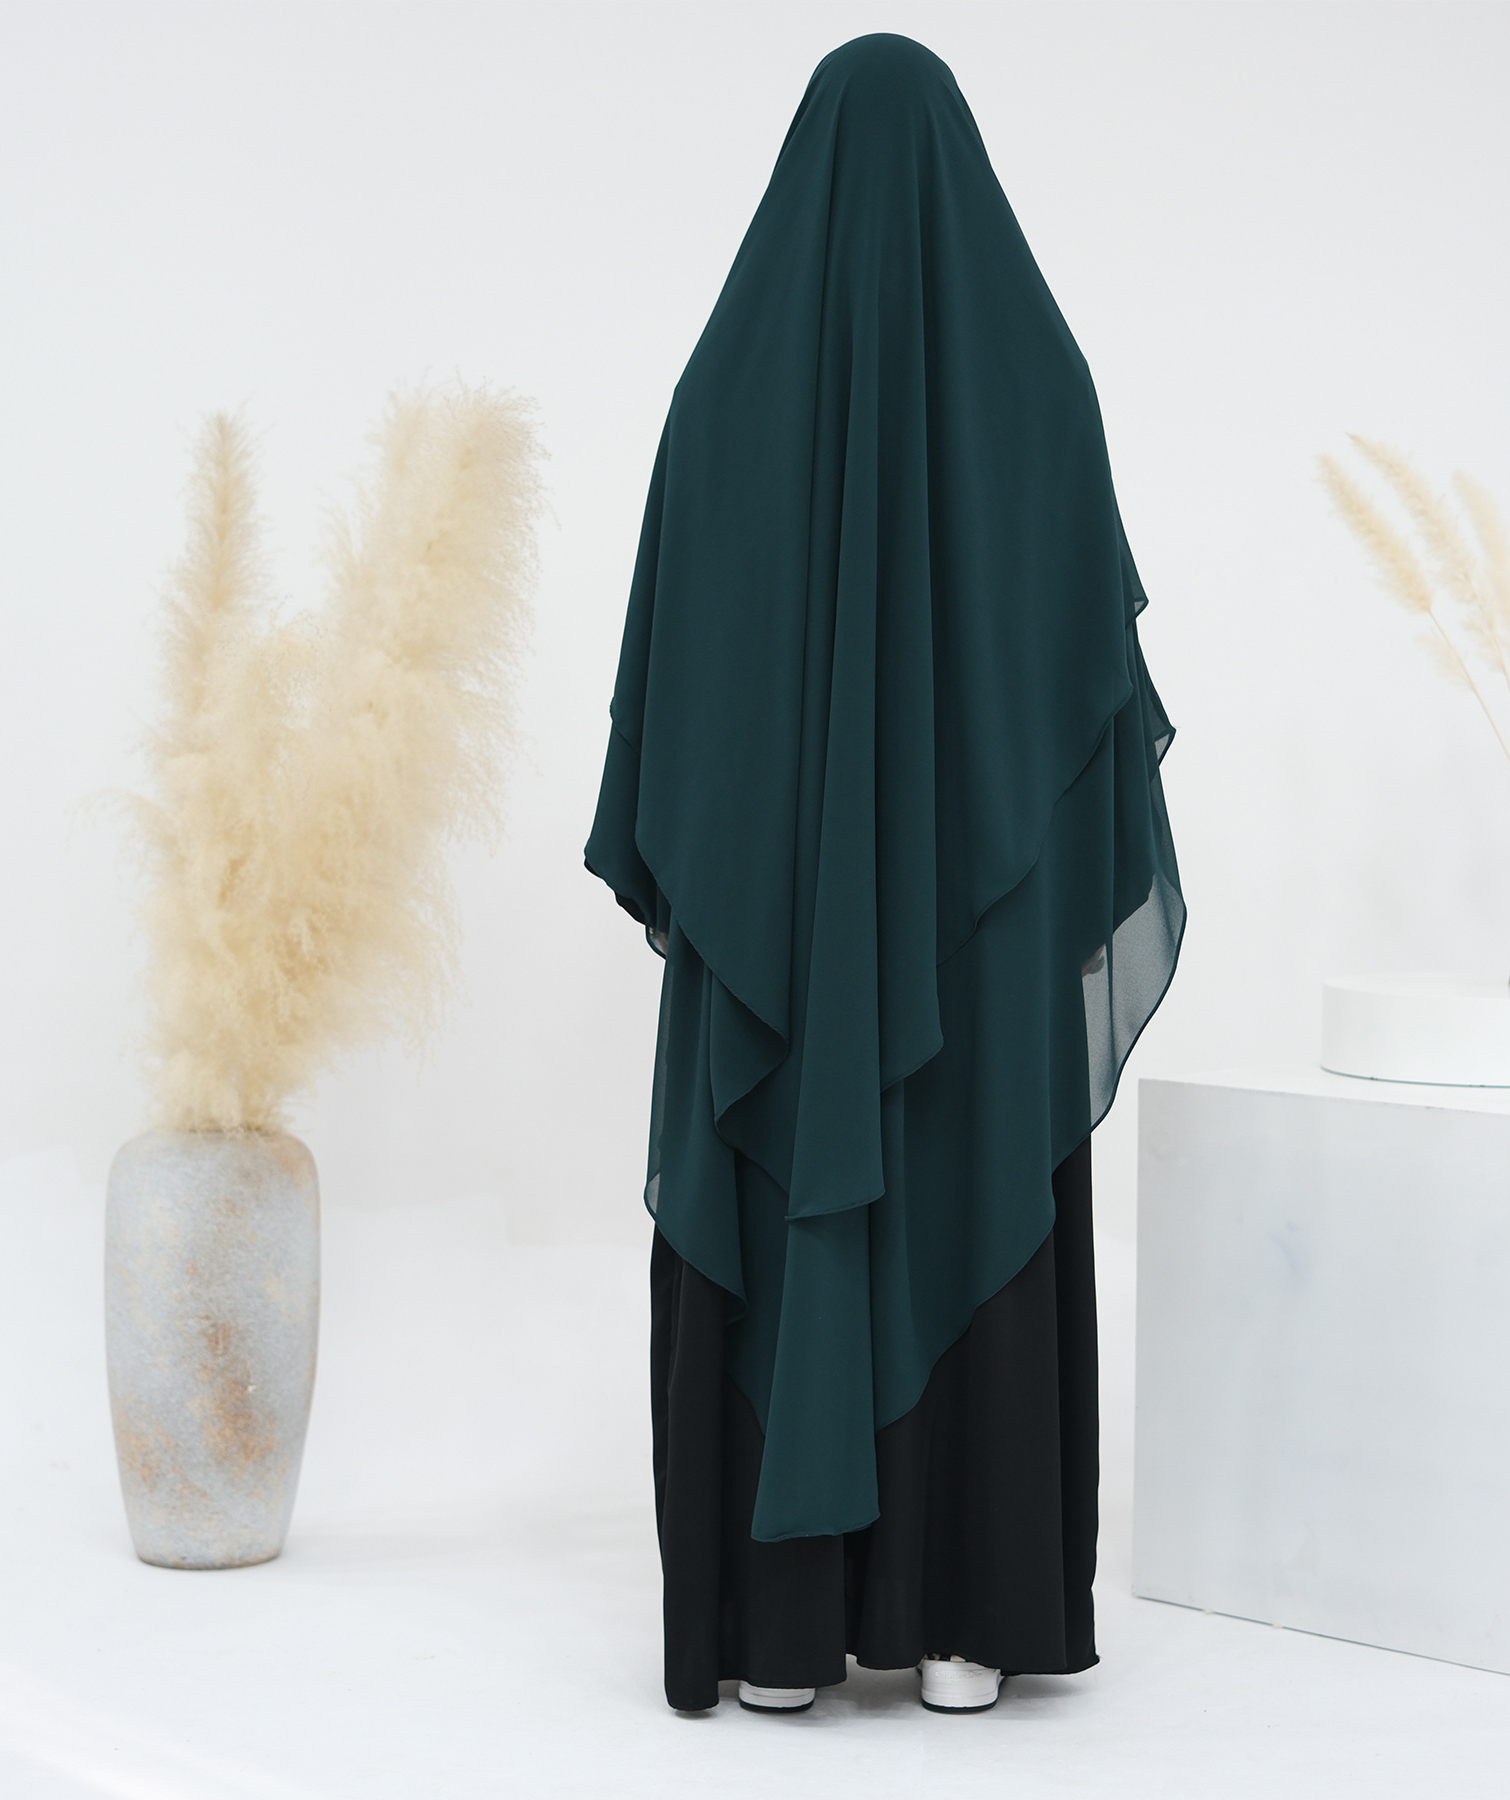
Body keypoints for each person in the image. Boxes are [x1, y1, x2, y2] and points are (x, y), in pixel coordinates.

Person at [585, 31, 1183, 1716]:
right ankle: (966, 1629)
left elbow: (668, 713)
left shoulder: (719, 402)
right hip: (973, 966)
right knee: (975, 1176)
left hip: (780, 949)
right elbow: (1092, 712)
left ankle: (777, 1642)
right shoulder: (1044, 394)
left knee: (785, 1205)